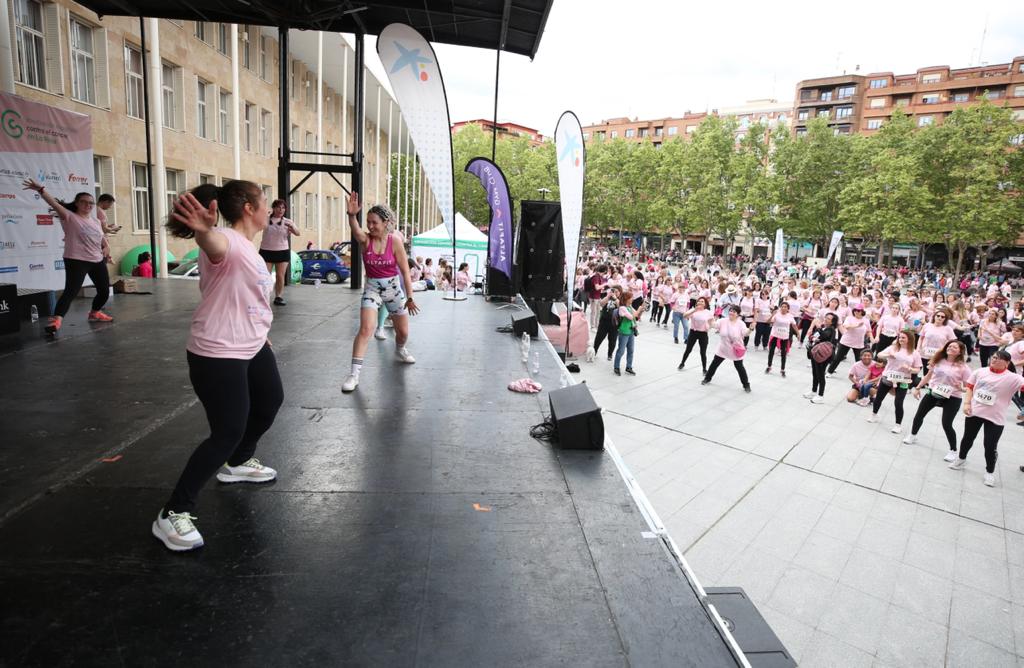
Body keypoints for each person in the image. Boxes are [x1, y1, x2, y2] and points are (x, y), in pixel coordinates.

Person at [154, 181, 283, 552]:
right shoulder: (225, 239)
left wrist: (259, 329)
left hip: (252, 344)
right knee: (227, 431)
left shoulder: (250, 247)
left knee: (270, 401)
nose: (270, 208)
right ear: (248, 207)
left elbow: (247, 297)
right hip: (217, 351)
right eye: (263, 202)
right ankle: (173, 512)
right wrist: (204, 231)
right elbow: (213, 246)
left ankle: (239, 462)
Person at [342, 192, 419, 392]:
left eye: (374, 222)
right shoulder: (365, 240)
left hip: (394, 289)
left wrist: (410, 297)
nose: (370, 226)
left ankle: (400, 349)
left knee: (403, 332)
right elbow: (356, 229)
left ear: (386, 223)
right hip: (372, 289)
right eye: (368, 222)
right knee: (366, 329)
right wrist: (352, 216)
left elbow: (405, 271)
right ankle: (354, 375)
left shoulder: (395, 242)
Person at [22, 179, 113, 334]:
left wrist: (106, 246)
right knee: (71, 291)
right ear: (77, 203)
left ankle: (94, 313)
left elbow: (100, 236)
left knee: (104, 291)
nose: (88, 205)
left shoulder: (95, 220)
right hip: (76, 260)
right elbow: (54, 204)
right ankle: (56, 321)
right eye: (84, 202)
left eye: (91, 203)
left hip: (96, 260)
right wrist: (41, 190)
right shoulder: (69, 216)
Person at [949, 350, 1024, 487]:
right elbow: (970, 387)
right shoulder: (980, 372)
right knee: (967, 439)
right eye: (994, 357)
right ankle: (961, 459)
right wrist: (967, 403)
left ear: (1007, 363)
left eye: (998, 359)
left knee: (990, 446)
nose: (994, 360)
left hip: (996, 418)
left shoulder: (1014, 378)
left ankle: (989, 472)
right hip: (975, 412)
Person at [904, 341, 972, 459]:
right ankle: (912, 435)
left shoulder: (964, 368)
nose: (950, 348)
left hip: (953, 397)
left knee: (946, 424)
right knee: (919, 415)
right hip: (933, 392)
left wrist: (961, 388)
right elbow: (928, 376)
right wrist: (918, 387)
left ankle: (953, 450)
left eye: (954, 347)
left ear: (960, 351)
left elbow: (969, 387)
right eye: (949, 346)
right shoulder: (939, 360)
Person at [868, 330, 922, 434]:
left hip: (903, 380)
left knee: (898, 402)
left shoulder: (915, 353)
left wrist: (909, 368)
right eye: (900, 337)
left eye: (903, 338)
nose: (901, 339)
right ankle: (874, 414)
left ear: (909, 339)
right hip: (888, 377)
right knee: (879, 397)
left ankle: (898, 425)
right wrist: (889, 355)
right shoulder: (893, 348)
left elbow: (918, 369)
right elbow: (879, 354)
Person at [259, 199, 300, 306]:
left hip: (282, 251)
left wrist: (292, 228)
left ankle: (279, 297)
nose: (281, 210)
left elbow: (298, 233)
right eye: (278, 207)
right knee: (265, 276)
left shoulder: (288, 221)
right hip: (266, 251)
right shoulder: (266, 220)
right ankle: (264, 296)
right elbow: (257, 227)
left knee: (280, 276)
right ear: (273, 208)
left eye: (283, 208)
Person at [701, 305, 751, 392]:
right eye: (730, 311)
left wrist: (751, 329)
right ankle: (707, 378)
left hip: (735, 349)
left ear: (738, 314)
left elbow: (745, 333)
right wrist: (710, 319)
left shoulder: (741, 323)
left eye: (734, 312)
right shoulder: (723, 321)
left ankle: (746, 385)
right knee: (714, 364)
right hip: (723, 348)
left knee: (739, 367)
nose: (731, 312)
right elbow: (714, 325)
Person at [804, 313, 838, 404]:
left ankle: (820, 395)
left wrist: (818, 327)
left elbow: (824, 336)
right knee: (815, 373)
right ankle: (814, 391)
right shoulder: (823, 327)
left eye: (828, 319)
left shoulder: (831, 329)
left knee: (821, 374)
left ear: (832, 322)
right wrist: (813, 337)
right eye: (826, 317)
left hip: (823, 355)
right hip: (815, 352)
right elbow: (814, 336)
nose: (826, 319)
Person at [613, 290, 645, 375]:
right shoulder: (622, 308)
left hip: (631, 331)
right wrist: (639, 309)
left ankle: (629, 367)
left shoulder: (630, 307)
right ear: (626, 299)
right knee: (621, 350)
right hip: (624, 332)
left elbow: (636, 316)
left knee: (631, 350)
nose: (632, 299)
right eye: (631, 298)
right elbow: (631, 317)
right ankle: (616, 367)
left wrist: (641, 310)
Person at [678, 297, 713, 374]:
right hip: (693, 332)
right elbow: (684, 316)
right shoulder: (693, 310)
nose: (700, 302)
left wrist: (708, 328)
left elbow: (711, 322)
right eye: (699, 301)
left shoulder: (708, 312)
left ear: (705, 304)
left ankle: (704, 369)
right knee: (688, 349)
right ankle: (682, 363)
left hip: (703, 334)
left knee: (703, 352)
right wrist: (694, 310)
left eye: (702, 301)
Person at [766, 301, 799, 377]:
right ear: (780, 307)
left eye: (785, 307)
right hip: (775, 335)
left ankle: (782, 369)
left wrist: (798, 333)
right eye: (782, 306)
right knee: (771, 351)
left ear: (788, 309)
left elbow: (794, 325)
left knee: (783, 353)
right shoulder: (776, 314)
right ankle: (769, 366)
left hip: (784, 337)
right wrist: (772, 315)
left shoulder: (790, 316)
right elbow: (768, 322)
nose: (784, 308)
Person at [593, 285, 622, 361]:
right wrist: (608, 296)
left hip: (614, 323)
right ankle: (594, 351)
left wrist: (615, 298)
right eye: (613, 291)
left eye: (616, 291)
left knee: (612, 340)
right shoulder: (608, 297)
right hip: (604, 321)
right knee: (599, 337)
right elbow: (601, 304)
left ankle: (610, 354)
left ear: (620, 292)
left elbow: (621, 307)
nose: (614, 293)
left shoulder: (620, 299)